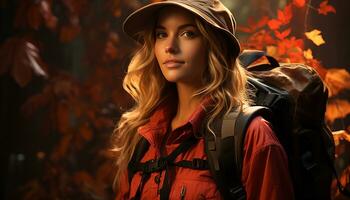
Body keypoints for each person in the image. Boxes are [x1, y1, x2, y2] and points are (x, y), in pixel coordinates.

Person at [111, 0, 294, 199]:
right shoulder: (142, 138)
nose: (169, 47)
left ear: (214, 46)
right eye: (161, 34)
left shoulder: (251, 135)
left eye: (188, 33)